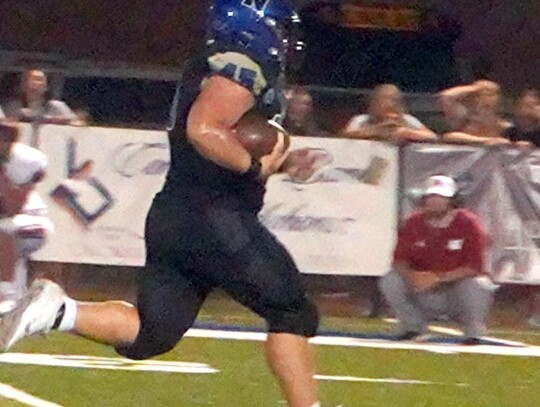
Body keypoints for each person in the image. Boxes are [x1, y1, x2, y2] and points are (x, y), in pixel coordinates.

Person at [0, 2, 322, 407]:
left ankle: (58, 312)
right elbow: (204, 129)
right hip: (215, 217)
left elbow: (212, 139)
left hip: (176, 214)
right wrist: (254, 165)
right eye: (277, 24)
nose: (284, 36)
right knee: (292, 310)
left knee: (152, 333)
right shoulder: (243, 61)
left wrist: (285, 163)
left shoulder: (211, 63)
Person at [379, 175, 495, 344]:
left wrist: (439, 278)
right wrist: (415, 277)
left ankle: (473, 331)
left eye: (441, 198)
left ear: (452, 200)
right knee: (390, 280)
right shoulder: (413, 222)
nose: (435, 202)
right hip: (422, 291)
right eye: (431, 197)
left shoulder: (469, 223)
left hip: (455, 292)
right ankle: (412, 327)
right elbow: (398, 261)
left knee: (479, 284)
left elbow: (476, 266)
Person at [0, 122, 52, 314]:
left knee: (4, 228)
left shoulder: (25, 160)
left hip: (31, 220)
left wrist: (3, 174)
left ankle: (6, 297)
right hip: (11, 222)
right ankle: (19, 304)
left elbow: (14, 207)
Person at [342, 84, 436, 143]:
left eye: (394, 100)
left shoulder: (407, 119)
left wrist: (405, 132)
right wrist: (376, 130)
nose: (390, 103)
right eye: (384, 99)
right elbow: (345, 135)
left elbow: (432, 136)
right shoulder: (361, 119)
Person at [438, 80, 511, 145]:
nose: (486, 98)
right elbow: (446, 96)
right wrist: (475, 88)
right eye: (481, 94)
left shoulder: (503, 125)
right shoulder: (463, 116)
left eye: (490, 94)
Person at [2, 69, 76, 125]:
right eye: (29, 79)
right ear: (22, 85)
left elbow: (76, 123)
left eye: (39, 79)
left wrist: (52, 120)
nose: (35, 83)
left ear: (46, 86)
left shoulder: (56, 106)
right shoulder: (12, 106)